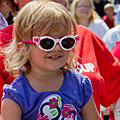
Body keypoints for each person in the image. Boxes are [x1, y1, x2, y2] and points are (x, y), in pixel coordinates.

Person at [0, 0, 120, 115]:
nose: (57, 48)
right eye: (46, 43)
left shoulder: (81, 84)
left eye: (66, 42)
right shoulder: (16, 93)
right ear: (22, 49)